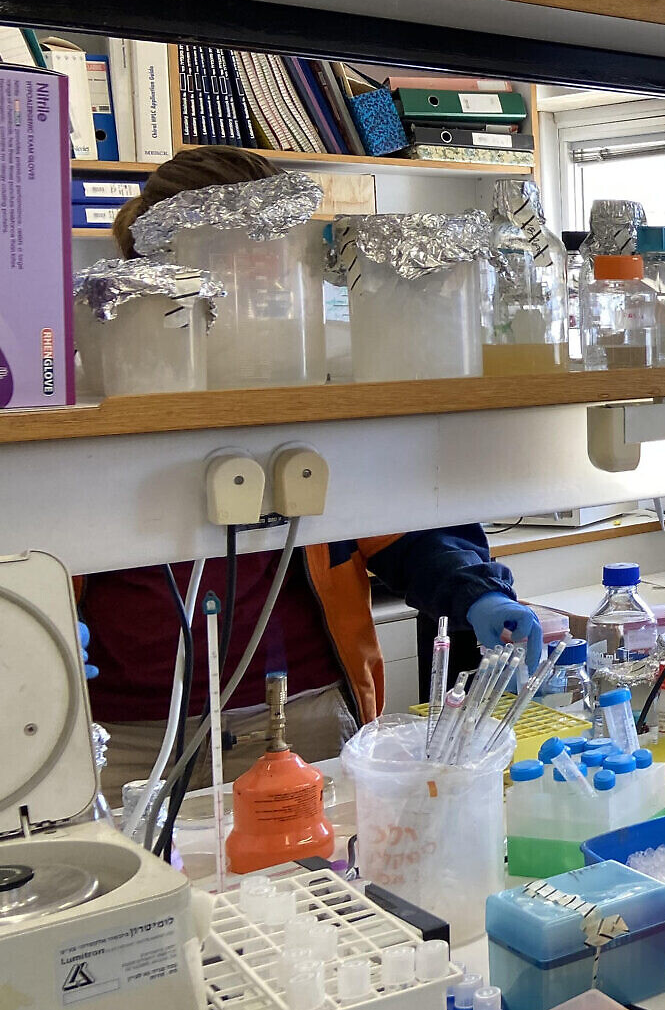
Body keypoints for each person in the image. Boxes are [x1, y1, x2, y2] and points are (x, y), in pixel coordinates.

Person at [82, 147, 544, 803]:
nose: (258, 278)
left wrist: (475, 591)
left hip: (302, 713)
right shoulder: (93, 381)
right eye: (236, 255)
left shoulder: (319, 377)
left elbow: (403, 523)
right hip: (125, 735)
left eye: (274, 254)